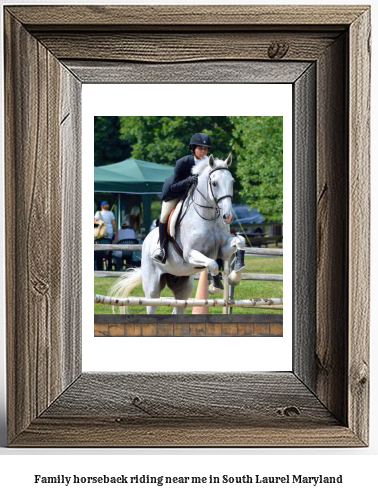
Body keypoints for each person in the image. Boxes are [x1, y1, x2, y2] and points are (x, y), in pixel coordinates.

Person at [153, 132, 211, 263]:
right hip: (175, 193)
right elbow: (174, 186)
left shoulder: (208, 163)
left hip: (196, 195)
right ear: (193, 148)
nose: (203, 151)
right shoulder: (183, 162)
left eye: (205, 149)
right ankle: (161, 249)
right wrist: (188, 181)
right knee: (163, 216)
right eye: (200, 148)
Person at [94, 201, 118, 270]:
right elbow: (113, 223)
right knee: (109, 248)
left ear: (101, 206)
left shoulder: (98, 213)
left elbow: (94, 222)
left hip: (100, 233)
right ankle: (109, 265)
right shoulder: (111, 213)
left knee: (99, 249)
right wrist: (115, 230)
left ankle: (99, 266)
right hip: (109, 233)